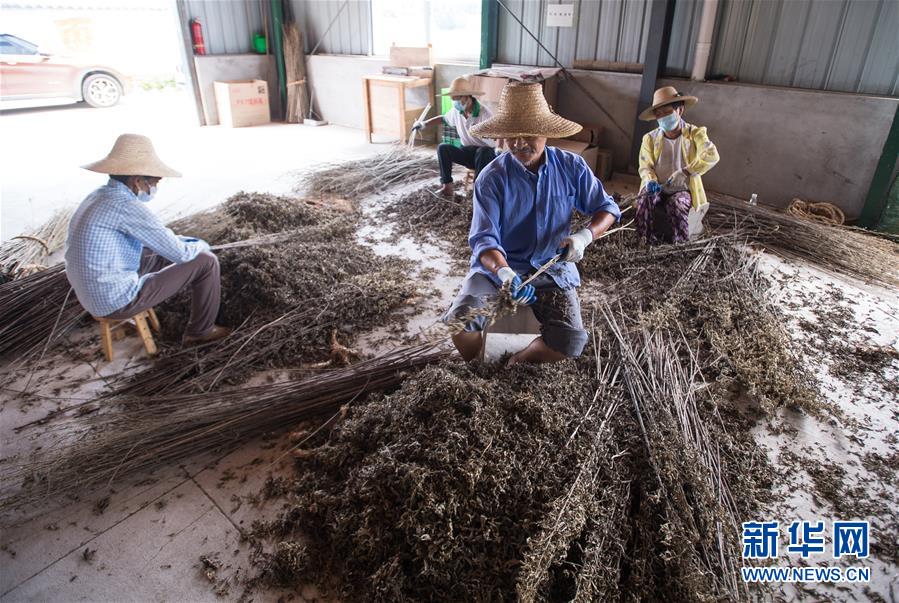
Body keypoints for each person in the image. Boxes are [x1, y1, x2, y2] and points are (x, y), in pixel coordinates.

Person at [442, 82, 620, 365]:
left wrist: (584, 237)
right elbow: (483, 240)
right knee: (460, 325)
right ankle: (479, 367)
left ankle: (516, 364)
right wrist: (504, 273)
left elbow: (607, 208)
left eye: (528, 134)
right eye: (512, 135)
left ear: (547, 133)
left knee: (571, 341)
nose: (519, 143)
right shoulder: (492, 178)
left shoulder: (571, 167)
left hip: (552, 268)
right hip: (499, 270)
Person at [65, 134, 231, 345]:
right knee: (207, 261)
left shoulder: (98, 196)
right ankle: (201, 331)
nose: (154, 188)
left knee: (157, 251)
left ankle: (179, 298)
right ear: (137, 181)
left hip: (91, 293)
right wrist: (201, 244)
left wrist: (181, 242)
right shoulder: (126, 206)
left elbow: (161, 243)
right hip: (115, 301)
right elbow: (181, 254)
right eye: (154, 182)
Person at [636, 86, 720, 244]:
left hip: (682, 189)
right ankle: (644, 241)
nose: (662, 118)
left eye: (667, 112)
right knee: (644, 199)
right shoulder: (650, 139)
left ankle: (679, 245)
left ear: (679, 110)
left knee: (677, 204)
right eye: (658, 114)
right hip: (659, 186)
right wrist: (650, 180)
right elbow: (645, 165)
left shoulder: (695, 134)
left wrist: (686, 171)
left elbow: (711, 155)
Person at [412, 76, 497, 197]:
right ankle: (447, 186)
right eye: (453, 99)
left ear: (467, 97)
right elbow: (443, 119)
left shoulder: (484, 114)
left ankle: (478, 191)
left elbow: (497, 137)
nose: (455, 102)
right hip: (467, 152)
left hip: (485, 155)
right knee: (443, 148)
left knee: (483, 152)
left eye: (457, 99)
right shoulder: (457, 111)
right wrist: (424, 124)